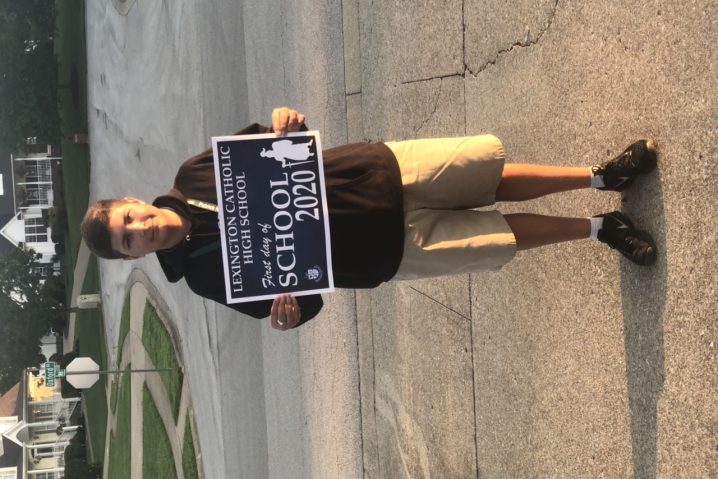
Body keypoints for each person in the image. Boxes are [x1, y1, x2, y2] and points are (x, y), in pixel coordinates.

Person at [81, 107, 658, 330]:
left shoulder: (194, 173)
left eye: (129, 219)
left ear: (132, 201)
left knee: (489, 176)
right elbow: (301, 299)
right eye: (129, 242)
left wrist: (285, 125)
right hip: (382, 252)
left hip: (371, 175)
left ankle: (600, 176)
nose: (140, 229)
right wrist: (288, 317)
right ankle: (599, 228)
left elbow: (271, 143)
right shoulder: (204, 277)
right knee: (498, 236)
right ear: (135, 257)